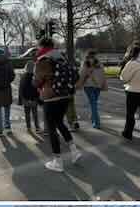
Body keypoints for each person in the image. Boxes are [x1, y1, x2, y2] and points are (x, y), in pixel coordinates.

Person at [34, 37, 81, 172]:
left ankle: (58, 161)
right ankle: (74, 151)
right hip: (66, 95)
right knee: (60, 123)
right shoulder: (62, 57)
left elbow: (37, 81)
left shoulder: (42, 59)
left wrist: (35, 82)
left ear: (41, 45)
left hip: (51, 97)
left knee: (51, 127)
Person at [76, 51, 108, 129]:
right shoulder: (99, 64)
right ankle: (93, 118)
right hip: (98, 86)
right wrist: (103, 85)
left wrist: (78, 85)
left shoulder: (85, 63)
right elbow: (103, 75)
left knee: (93, 104)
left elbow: (81, 75)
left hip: (88, 86)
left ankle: (96, 122)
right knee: (94, 104)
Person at [18, 59, 41, 132]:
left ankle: (28, 128)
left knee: (27, 114)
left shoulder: (23, 77)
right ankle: (37, 127)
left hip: (25, 98)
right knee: (35, 114)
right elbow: (38, 88)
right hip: (34, 98)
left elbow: (20, 89)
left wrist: (20, 100)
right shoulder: (36, 76)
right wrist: (39, 98)